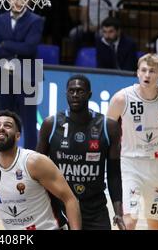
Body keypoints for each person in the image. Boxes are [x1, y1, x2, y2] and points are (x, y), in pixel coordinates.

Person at [107, 53, 158, 230]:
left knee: (156, 223)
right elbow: (106, 133)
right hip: (129, 164)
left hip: (157, 165)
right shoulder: (122, 98)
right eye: (143, 70)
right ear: (137, 73)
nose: (147, 75)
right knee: (129, 220)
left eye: (152, 71)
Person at [0, 110, 82, 230]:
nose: (1, 128)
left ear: (17, 136)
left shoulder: (34, 162)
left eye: (7, 126)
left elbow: (70, 199)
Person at [37, 75, 125, 230]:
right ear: (66, 94)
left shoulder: (108, 127)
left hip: (95, 207)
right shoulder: (50, 125)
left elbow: (114, 174)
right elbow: (37, 171)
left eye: (80, 91)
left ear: (89, 94)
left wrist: (118, 212)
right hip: (59, 206)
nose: (75, 95)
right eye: (71, 91)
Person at [0, 0, 44, 150]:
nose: (16, 2)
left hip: (27, 76)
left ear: (27, 0)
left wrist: (5, 44)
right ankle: (4, 151)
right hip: (4, 76)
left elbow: (29, 48)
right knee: (4, 120)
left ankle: (30, 155)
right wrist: (15, 49)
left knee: (28, 121)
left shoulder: (36, 20)